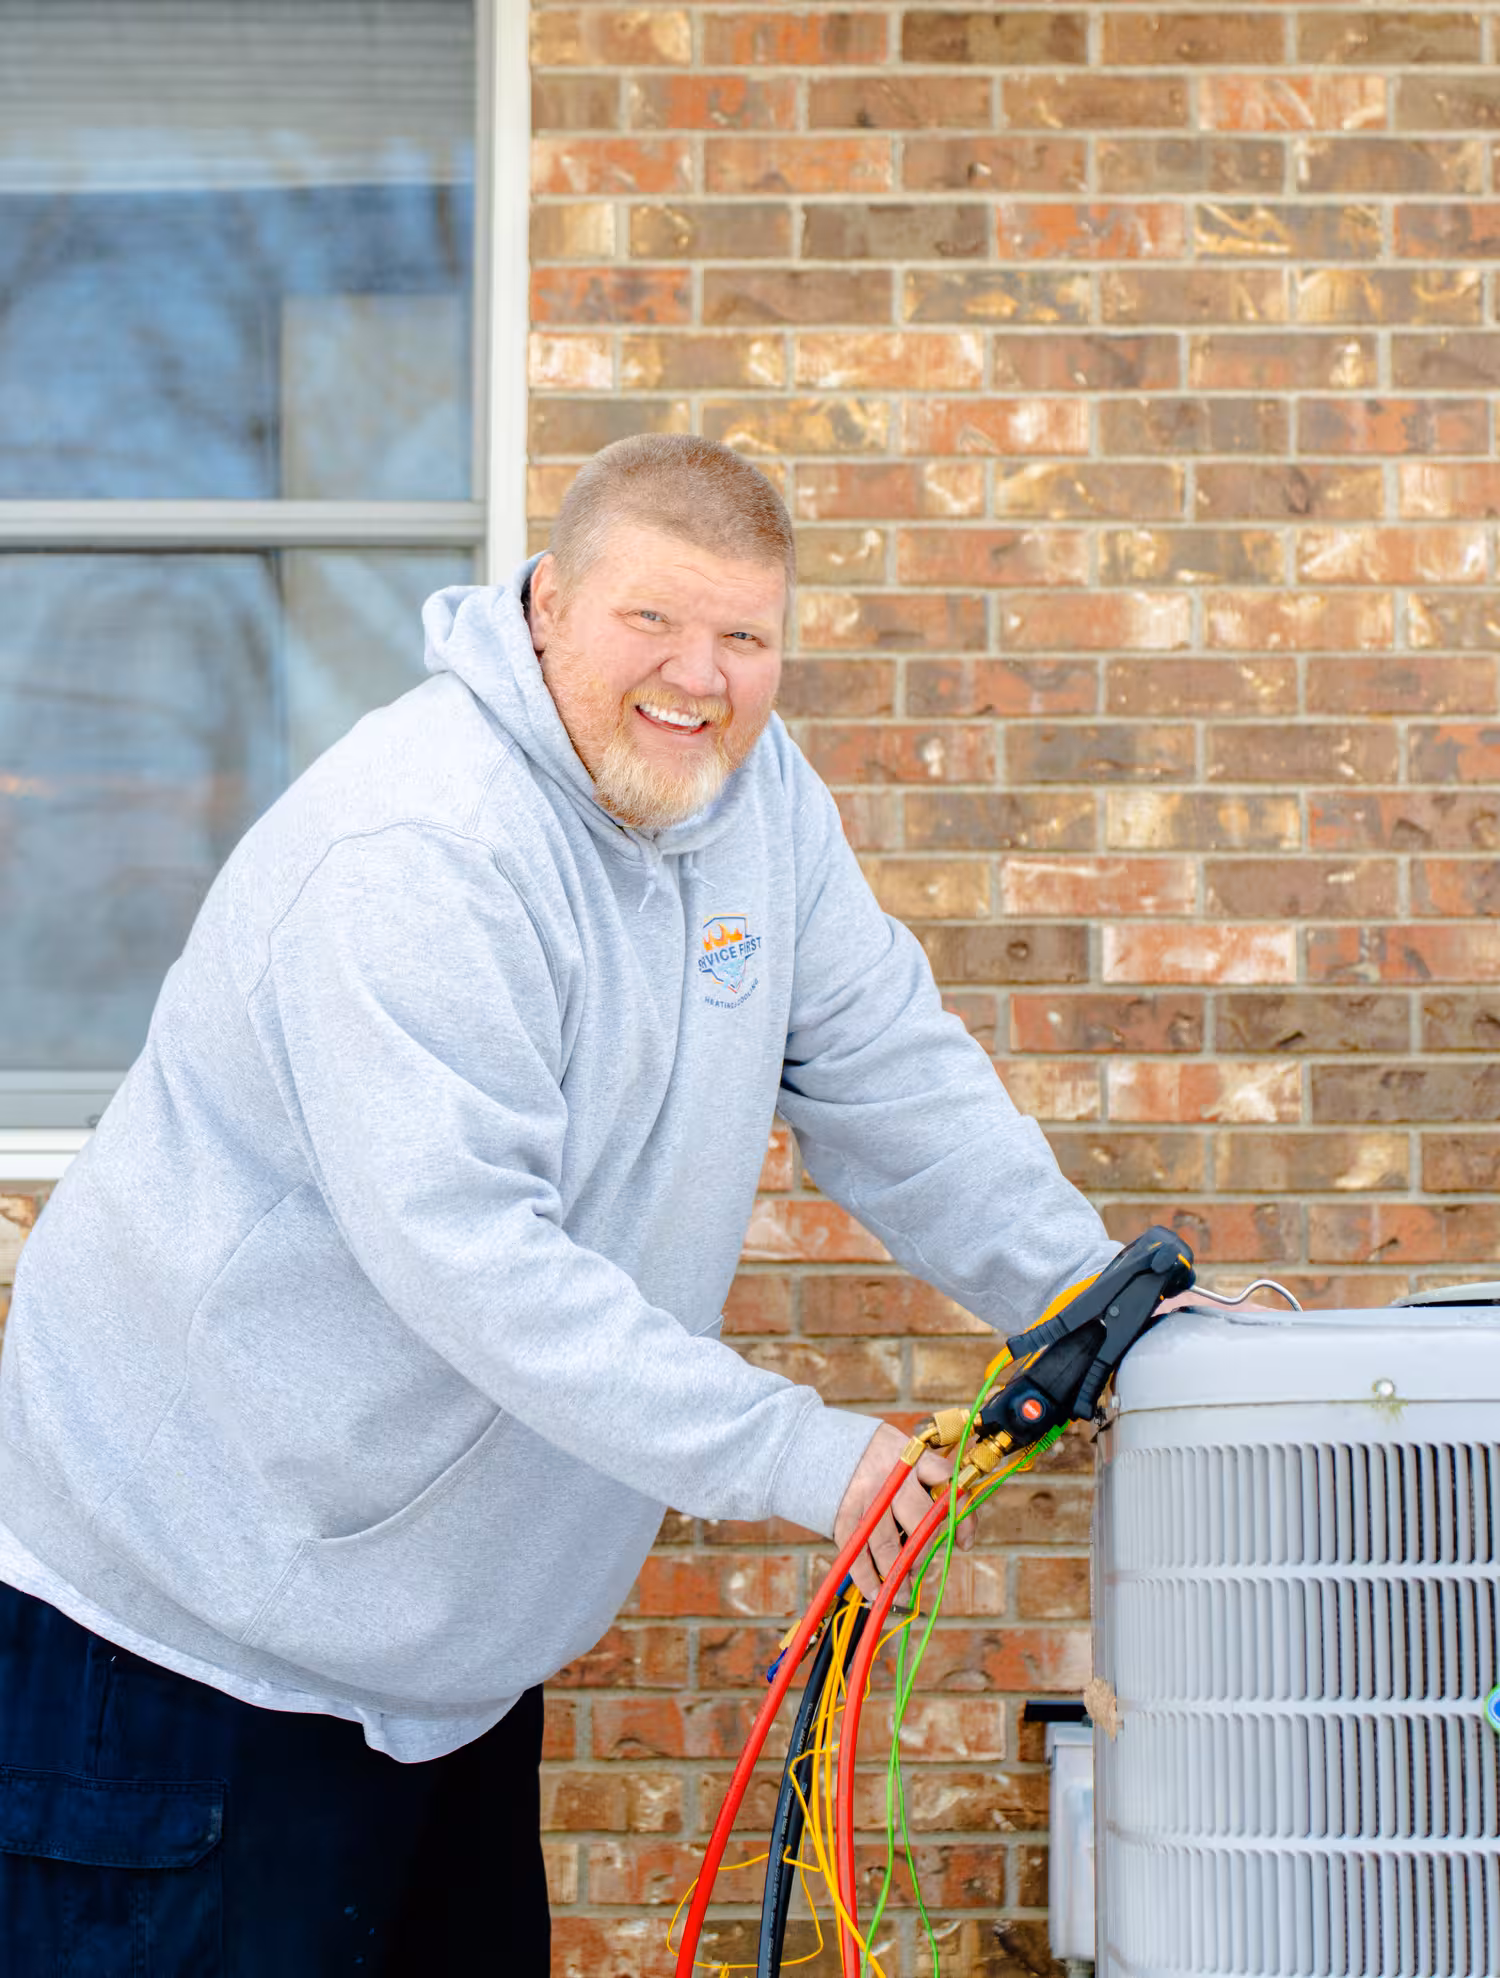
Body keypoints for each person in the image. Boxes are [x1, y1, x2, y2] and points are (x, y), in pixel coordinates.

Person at [0, 435, 1116, 1973]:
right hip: (180, 1651)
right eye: (651, 621)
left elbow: (884, 1067)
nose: (699, 675)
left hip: (442, 1673)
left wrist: (1094, 1302)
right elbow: (470, 1256)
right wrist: (805, 1453)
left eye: (745, 636)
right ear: (545, 604)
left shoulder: (752, 800)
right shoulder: (421, 844)